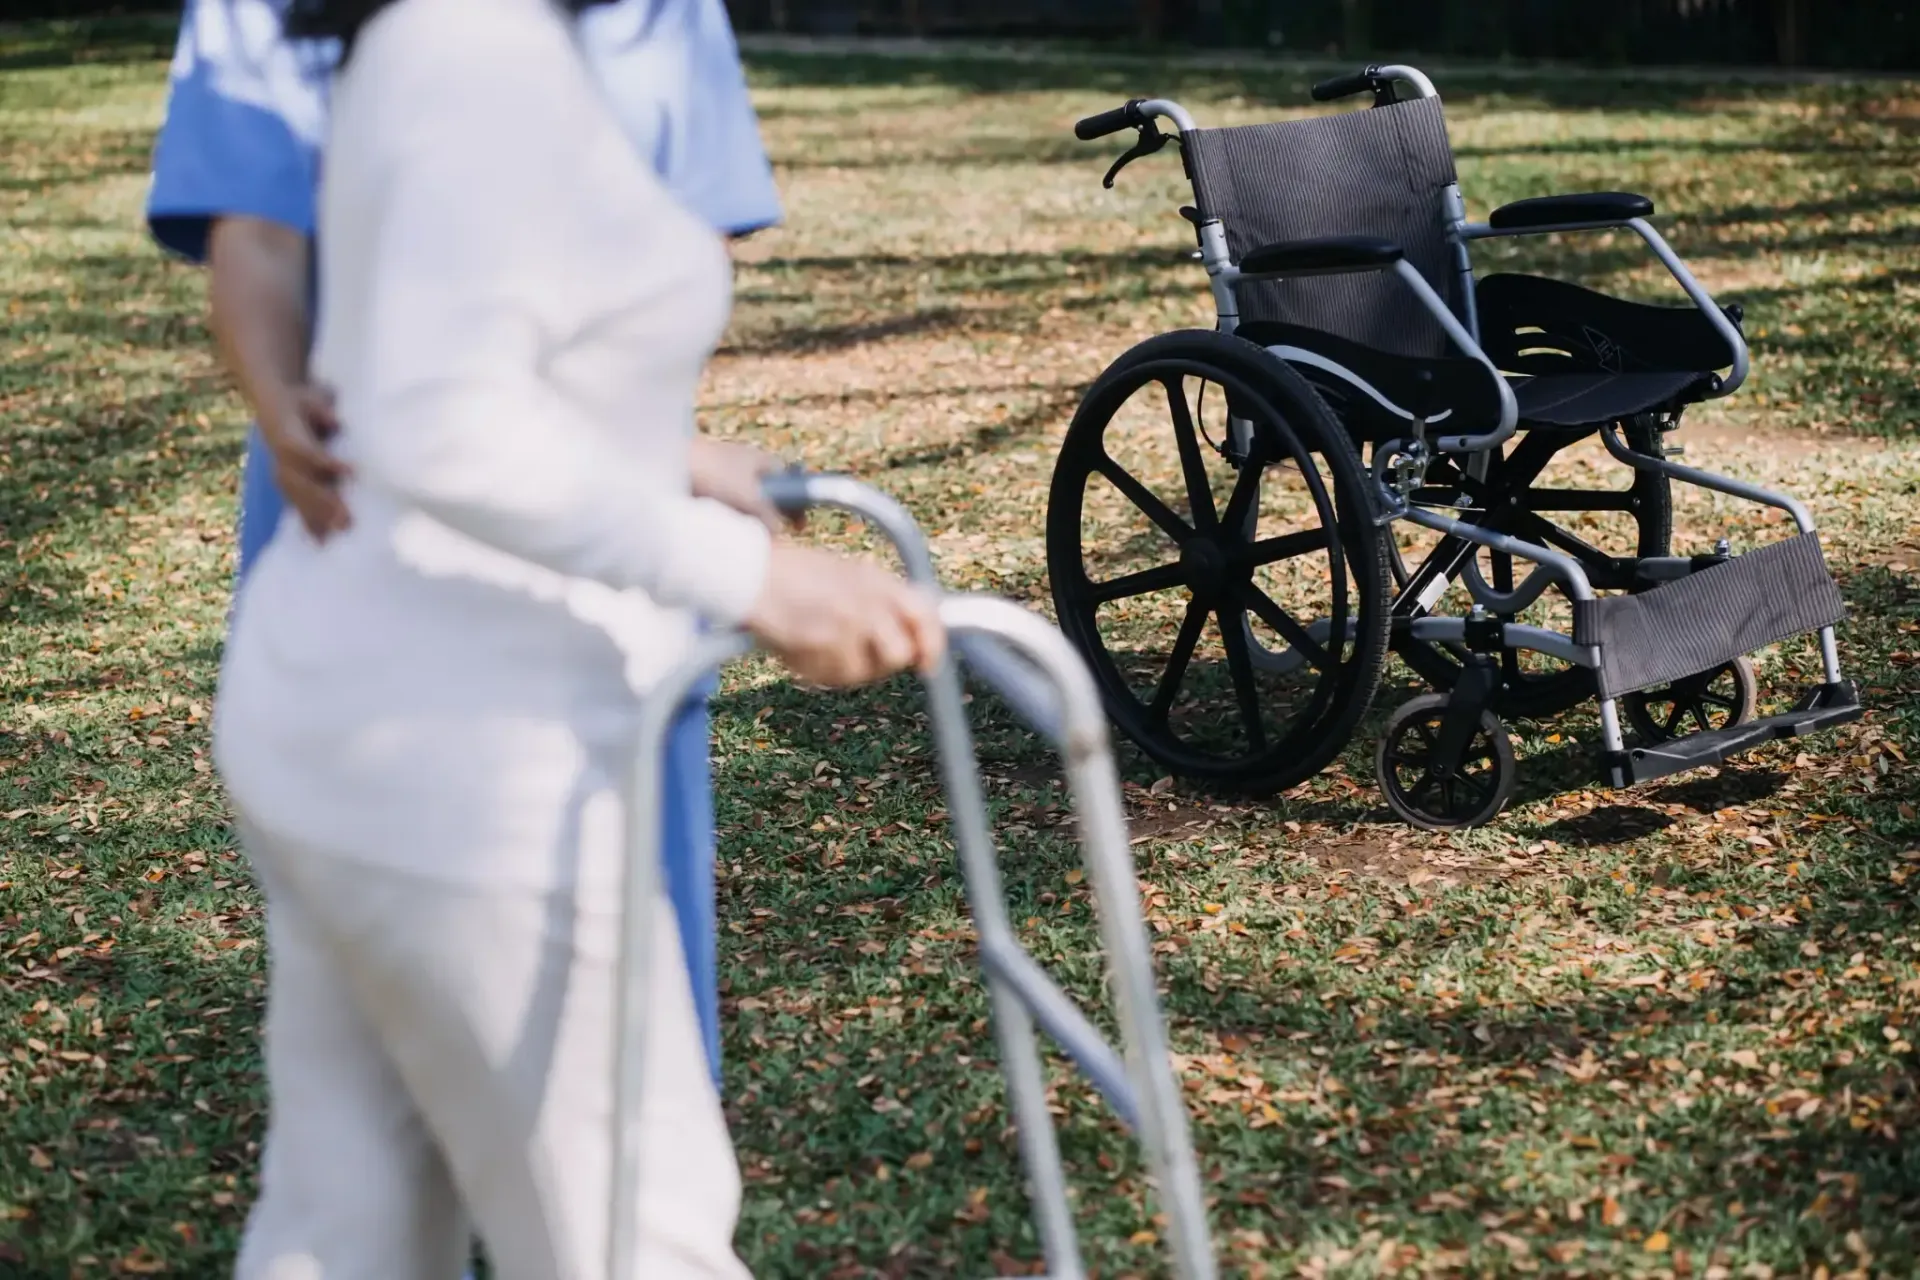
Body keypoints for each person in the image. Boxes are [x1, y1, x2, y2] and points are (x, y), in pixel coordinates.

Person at [208, 0, 946, 1273]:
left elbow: (439, 350)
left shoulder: (439, 36)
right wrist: (753, 578)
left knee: (349, 1228)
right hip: (468, 763)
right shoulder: (472, 44)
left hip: (349, 720)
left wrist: (658, 449)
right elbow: (435, 419)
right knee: (636, 1239)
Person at [147, 0, 775, 1084]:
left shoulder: (659, 16)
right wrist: (282, 391)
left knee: (616, 1046)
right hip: (356, 534)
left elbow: (681, 231)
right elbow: (260, 231)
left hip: (595, 567)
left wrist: (642, 436)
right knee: (392, 1075)